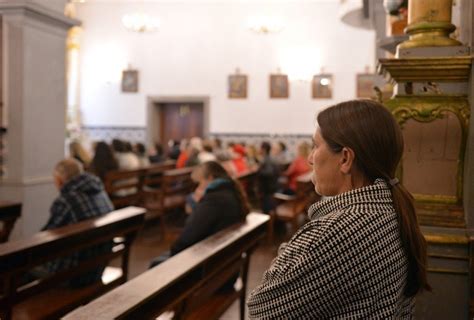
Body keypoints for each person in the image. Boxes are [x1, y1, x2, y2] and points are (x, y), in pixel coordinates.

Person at [247, 100, 430, 318]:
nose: (310, 158)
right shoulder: (389, 208)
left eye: (315, 145)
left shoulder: (339, 229)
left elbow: (261, 309)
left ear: (345, 158)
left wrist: (287, 252)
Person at [150, 161, 250, 264]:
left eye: (199, 183)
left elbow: (187, 238)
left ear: (210, 178)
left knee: (155, 263)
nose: (197, 188)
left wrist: (197, 207)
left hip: (209, 264)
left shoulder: (214, 200)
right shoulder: (231, 191)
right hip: (225, 258)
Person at [42, 158, 114, 287]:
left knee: (20, 269)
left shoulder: (66, 200)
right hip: (98, 266)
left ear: (59, 180)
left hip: (74, 274)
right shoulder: (100, 192)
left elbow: (47, 237)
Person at [257, 141, 280, 214]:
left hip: (267, 187)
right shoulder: (271, 158)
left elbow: (269, 172)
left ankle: (267, 221)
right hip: (273, 185)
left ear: (263, 149)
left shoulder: (266, 159)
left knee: (266, 205)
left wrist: (259, 171)